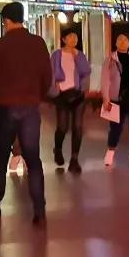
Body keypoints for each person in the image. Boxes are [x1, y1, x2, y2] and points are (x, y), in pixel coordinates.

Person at [0, 1, 49, 224]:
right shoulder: (38, 43)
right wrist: (37, 95)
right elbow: (47, 76)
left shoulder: (1, 45)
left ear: (6, 21)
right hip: (30, 108)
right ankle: (38, 207)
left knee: (0, 157)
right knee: (33, 159)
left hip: (8, 106)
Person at [101, 32, 129, 170]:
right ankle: (110, 151)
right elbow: (104, 80)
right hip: (117, 99)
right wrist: (105, 98)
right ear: (115, 43)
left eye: (125, 39)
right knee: (115, 128)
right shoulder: (110, 60)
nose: (122, 42)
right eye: (119, 39)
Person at [50, 27, 91, 173]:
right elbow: (52, 73)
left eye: (75, 37)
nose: (73, 39)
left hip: (77, 94)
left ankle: (74, 159)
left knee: (78, 127)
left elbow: (86, 72)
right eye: (70, 36)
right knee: (62, 127)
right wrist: (54, 89)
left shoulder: (80, 55)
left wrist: (77, 58)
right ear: (64, 39)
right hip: (62, 94)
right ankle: (58, 149)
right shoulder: (57, 54)